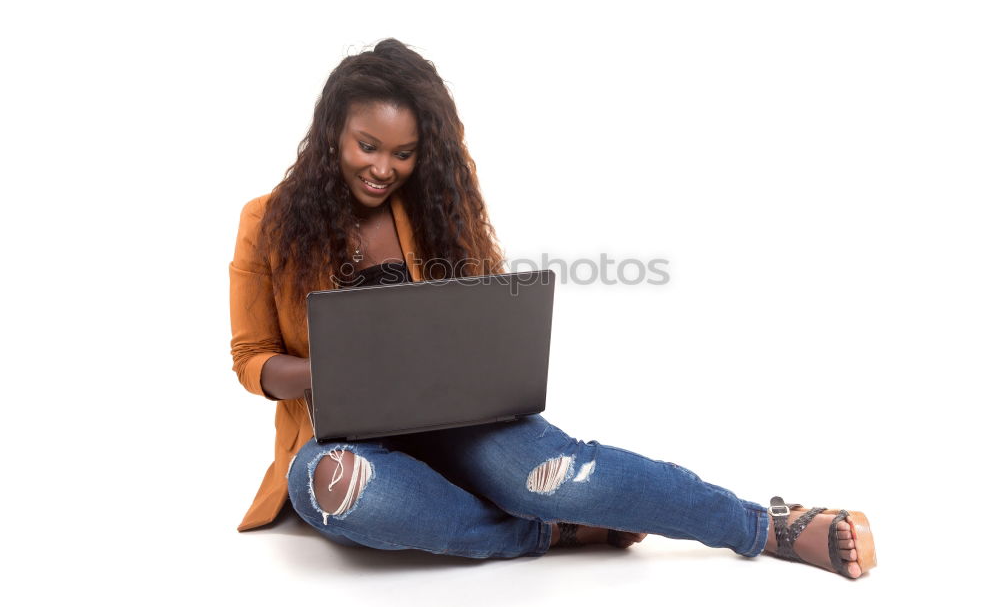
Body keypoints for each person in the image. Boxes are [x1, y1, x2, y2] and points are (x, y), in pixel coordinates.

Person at [228, 38, 876, 578]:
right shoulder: (268, 220)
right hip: (345, 437)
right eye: (366, 145)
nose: (383, 168)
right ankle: (551, 536)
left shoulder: (431, 212)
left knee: (559, 474)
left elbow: (474, 320)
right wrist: (328, 371)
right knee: (333, 492)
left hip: (456, 418)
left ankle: (763, 525)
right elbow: (251, 359)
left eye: (403, 153)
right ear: (331, 131)